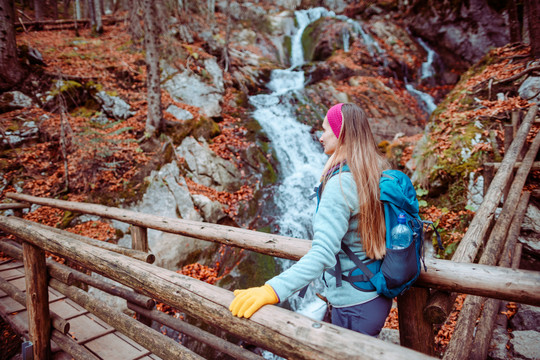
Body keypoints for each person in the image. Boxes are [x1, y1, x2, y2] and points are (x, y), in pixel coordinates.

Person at [229, 103, 392, 336]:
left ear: (341, 132)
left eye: (326, 130)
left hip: (352, 305)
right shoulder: (372, 171)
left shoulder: (341, 184)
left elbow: (323, 253)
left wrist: (271, 290)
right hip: (372, 297)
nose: (320, 137)